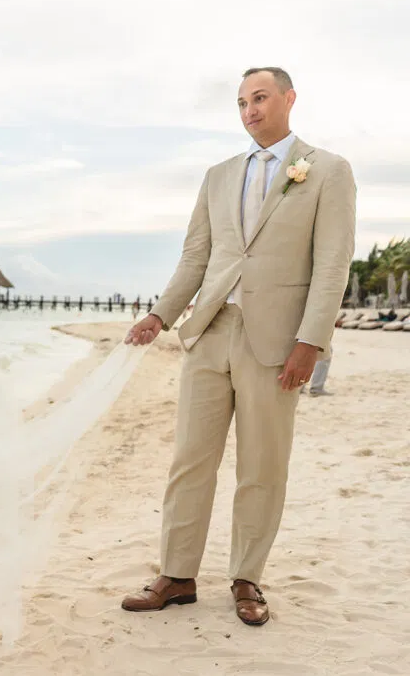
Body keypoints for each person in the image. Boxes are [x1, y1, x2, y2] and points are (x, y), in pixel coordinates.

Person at [121, 67, 356, 625]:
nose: (250, 110)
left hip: (277, 342)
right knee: (189, 461)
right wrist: (160, 314)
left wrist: (311, 342)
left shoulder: (328, 170)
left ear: (288, 99)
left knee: (262, 466)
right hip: (210, 332)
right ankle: (177, 576)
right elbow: (195, 257)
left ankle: (247, 578)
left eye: (260, 98)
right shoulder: (219, 175)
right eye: (242, 102)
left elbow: (332, 266)